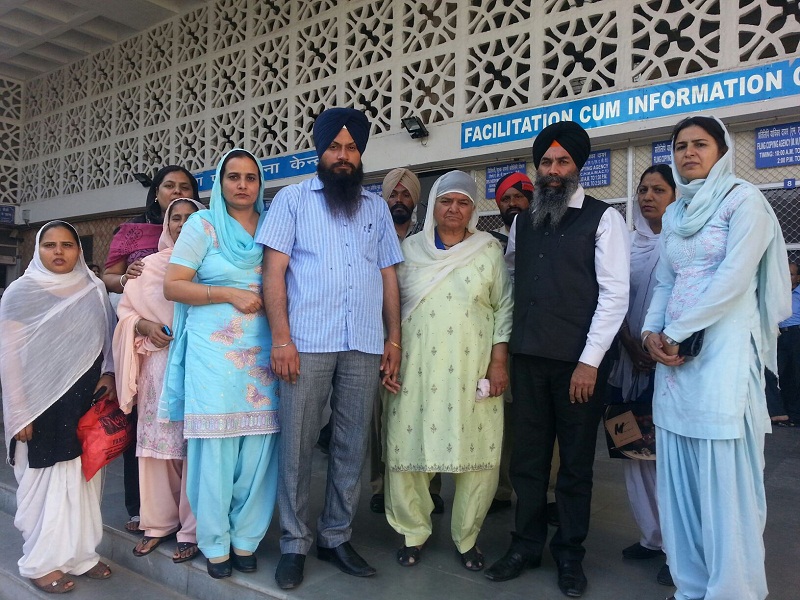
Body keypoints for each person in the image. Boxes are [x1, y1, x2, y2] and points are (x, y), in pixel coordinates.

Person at [642, 116, 790, 600]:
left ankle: (732, 591)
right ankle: (690, 586)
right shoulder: (678, 214)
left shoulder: (745, 202)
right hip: (674, 364)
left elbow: (734, 277)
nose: (689, 153)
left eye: (700, 144)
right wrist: (650, 333)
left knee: (726, 489)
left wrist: (676, 332)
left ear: (722, 150)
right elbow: (666, 280)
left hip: (722, 360)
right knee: (680, 486)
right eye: (680, 146)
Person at [259, 107, 403, 590]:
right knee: (298, 442)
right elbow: (273, 274)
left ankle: (336, 535)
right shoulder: (292, 201)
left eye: (352, 148)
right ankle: (294, 542)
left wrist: (394, 339)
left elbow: (388, 276)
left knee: (351, 444)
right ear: (319, 150)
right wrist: (281, 338)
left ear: (361, 153)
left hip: (363, 344)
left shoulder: (376, 207)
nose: (343, 156)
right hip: (307, 343)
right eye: (335, 147)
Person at [486, 120, 630, 599]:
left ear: (577, 166)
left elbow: (614, 296)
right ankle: (525, 544)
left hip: (577, 369)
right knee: (526, 462)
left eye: (561, 162)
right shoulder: (523, 221)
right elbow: (510, 285)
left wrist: (589, 362)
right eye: (545, 162)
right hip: (528, 361)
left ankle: (570, 553)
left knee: (573, 468)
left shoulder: (603, 219)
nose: (552, 170)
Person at [382, 170, 513, 571]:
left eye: (462, 202)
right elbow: (391, 308)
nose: (453, 209)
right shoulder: (408, 249)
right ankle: (412, 531)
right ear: (433, 205)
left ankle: (467, 538)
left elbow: (503, 307)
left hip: (472, 369)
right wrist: (392, 351)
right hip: (416, 367)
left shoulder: (488, 250)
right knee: (409, 449)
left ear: (473, 209)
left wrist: (498, 361)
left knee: (478, 453)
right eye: (446, 201)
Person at [161, 149, 280, 580]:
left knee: (259, 448)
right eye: (233, 177)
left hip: (264, 351)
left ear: (260, 183)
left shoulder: (273, 226)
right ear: (220, 182)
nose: (243, 185)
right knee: (214, 449)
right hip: (213, 354)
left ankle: (246, 539)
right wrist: (227, 293)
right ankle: (214, 543)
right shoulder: (201, 225)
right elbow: (174, 286)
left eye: (251, 177)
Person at [1, 220, 117, 594]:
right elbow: (10, 357)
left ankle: (81, 555)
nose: (59, 252)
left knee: (83, 483)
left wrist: (110, 375)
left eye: (67, 245)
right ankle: (41, 562)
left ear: (79, 251)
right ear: (39, 249)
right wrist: (19, 412)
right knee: (46, 484)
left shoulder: (94, 289)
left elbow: (108, 341)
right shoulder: (21, 293)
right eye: (50, 245)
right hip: (40, 404)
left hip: (84, 402)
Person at [101, 164, 200, 534]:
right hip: (153, 355)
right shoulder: (135, 236)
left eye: (185, 188)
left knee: (196, 445)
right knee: (150, 443)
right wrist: (130, 282)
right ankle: (144, 512)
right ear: (156, 193)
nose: (176, 192)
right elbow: (113, 281)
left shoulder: (212, 258)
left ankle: (192, 525)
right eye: (169, 187)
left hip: (200, 362)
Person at [607, 164, 676, 587]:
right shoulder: (628, 245)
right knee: (633, 455)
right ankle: (650, 537)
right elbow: (611, 297)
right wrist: (630, 344)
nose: (648, 196)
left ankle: (676, 547)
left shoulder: (682, 243)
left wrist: (658, 345)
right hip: (625, 362)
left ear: (676, 196)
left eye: (659, 190)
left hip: (668, 367)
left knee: (667, 461)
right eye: (643, 190)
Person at [367, 167, 444, 515]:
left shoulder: (427, 241)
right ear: (384, 199)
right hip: (374, 342)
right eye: (393, 194)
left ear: (416, 200)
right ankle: (383, 486)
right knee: (379, 420)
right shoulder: (371, 236)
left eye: (405, 194)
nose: (399, 200)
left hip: (422, 343)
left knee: (430, 415)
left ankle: (432, 487)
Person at [774, 261, 800, 426]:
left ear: (798, 277)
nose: (787, 277)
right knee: (781, 374)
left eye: (791, 274)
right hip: (779, 335)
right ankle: (785, 414)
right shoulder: (779, 293)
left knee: (796, 375)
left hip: (796, 335)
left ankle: (796, 415)